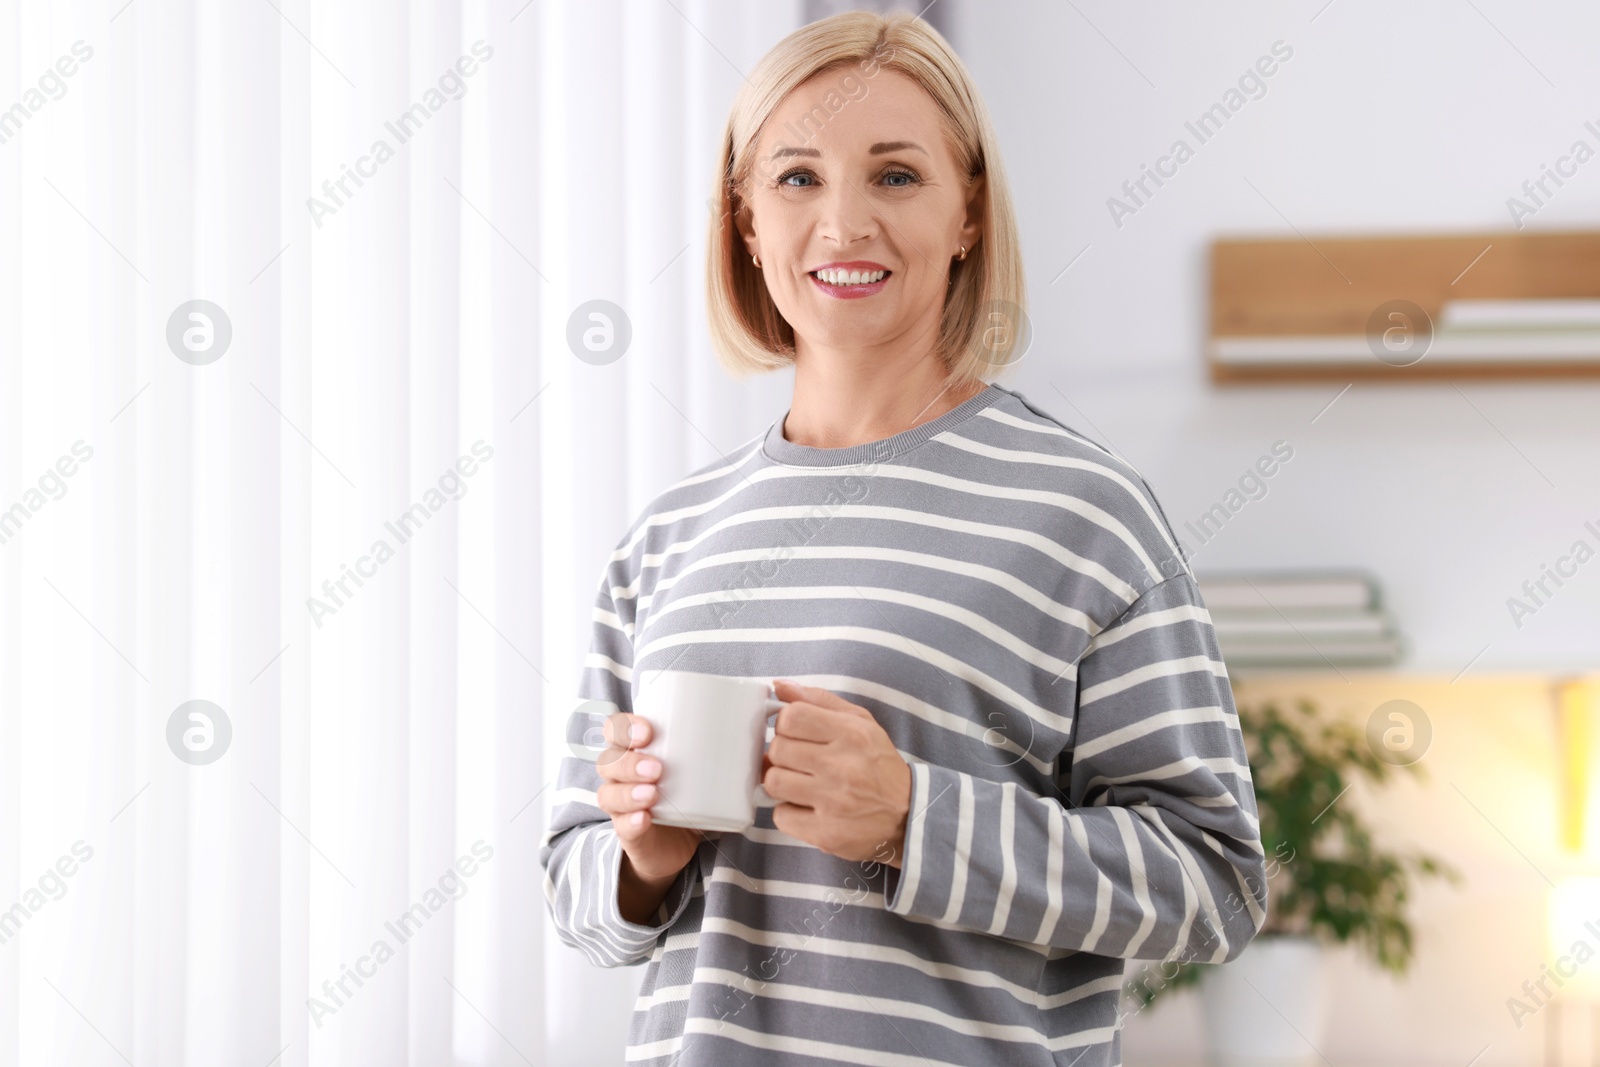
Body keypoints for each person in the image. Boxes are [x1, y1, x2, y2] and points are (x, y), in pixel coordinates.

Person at [539, 10, 1266, 1065]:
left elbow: (1212, 884)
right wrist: (642, 856)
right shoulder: (667, 536)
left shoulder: (1086, 512)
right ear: (743, 219)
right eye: (796, 178)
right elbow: (576, 890)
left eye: (894, 176)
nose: (842, 225)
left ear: (968, 211)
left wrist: (911, 817)